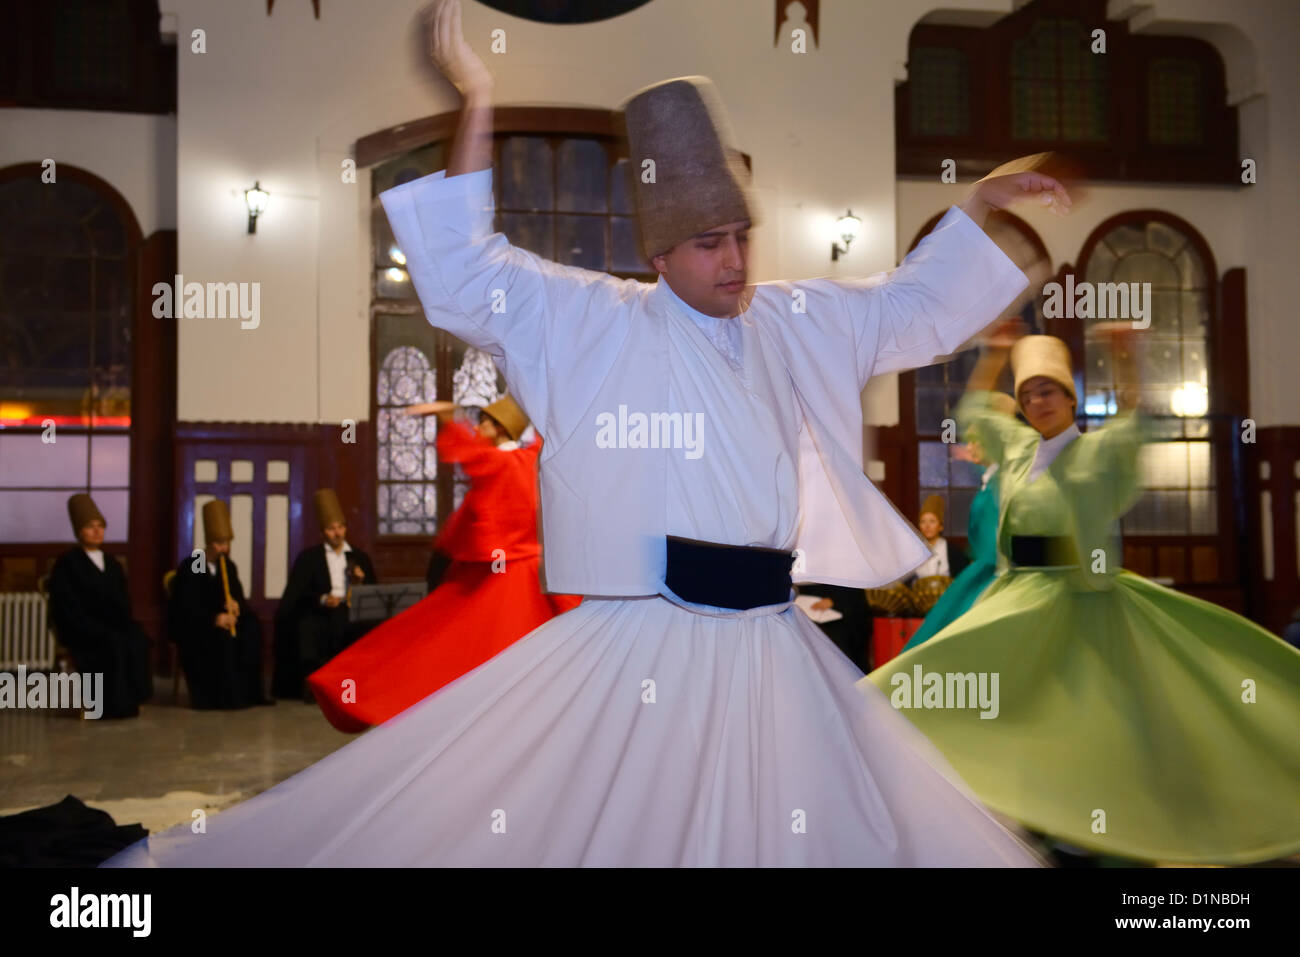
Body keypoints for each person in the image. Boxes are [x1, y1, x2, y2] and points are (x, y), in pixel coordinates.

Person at [104, 0, 1071, 867]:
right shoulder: (597, 318)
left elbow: (909, 306)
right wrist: (475, 101)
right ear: (658, 251)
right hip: (650, 633)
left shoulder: (794, 316)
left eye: (741, 235)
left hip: (775, 637)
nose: (736, 261)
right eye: (708, 243)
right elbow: (467, 266)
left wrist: (979, 202)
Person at [864, 327, 1300, 864]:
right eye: (1028, 395)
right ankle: (1017, 817)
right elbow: (976, 411)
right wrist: (995, 356)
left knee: (1088, 721)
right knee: (938, 692)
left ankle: (1090, 829)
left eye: (1047, 391)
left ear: (1070, 397)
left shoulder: (1096, 454)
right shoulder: (1021, 449)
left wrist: (1126, 358)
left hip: (1081, 601)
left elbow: (1136, 423)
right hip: (1017, 598)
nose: (1037, 402)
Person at [307, 395, 580, 732]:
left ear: (497, 429)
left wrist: (448, 416)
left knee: (437, 641)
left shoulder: (501, 464)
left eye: (483, 422)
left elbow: (471, 455)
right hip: (531, 577)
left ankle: (360, 691)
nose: (478, 428)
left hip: (504, 578)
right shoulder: (530, 459)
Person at [901, 393, 1015, 652]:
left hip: (992, 577)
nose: (970, 447)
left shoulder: (1000, 483)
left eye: (976, 441)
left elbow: (992, 548)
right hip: (986, 571)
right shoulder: (990, 478)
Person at [46, 494, 152, 719]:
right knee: (111, 642)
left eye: (100, 526)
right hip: (82, 626)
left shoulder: (112, 564)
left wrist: (122, 623)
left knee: (136, 637)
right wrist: (91, 626)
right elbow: (66, 606)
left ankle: (130, 700)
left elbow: (123, 602)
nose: (96, 531)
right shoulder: (67, 564)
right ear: (79, 531)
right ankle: (107, 705)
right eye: (90, 527)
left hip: (113, 624)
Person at [274, 490, 378, 700]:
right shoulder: (309, 558)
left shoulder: (359, 556)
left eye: (340, 527)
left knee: (361, 627)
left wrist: (361, 582)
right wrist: (322, 598)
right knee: (311, 627)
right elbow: (297, 594)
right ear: (323, 532)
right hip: (320, 611)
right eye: (331, 529)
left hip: (352, 610)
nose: (337, 533)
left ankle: (355, 687)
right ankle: (320, 687)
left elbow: (373, 592)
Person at [167, 500, 272, 710]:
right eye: (219, 542)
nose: (224, 548)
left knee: (251, 628)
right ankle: (219, 697)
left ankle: (248, 694)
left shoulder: (228, 565)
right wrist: (215, 618)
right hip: (200, 624)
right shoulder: (195, 563)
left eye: (227, 542)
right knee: (220, 637)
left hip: (225, 619)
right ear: (209, 542)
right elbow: (187, 605)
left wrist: (235, 605)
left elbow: (239, 596)